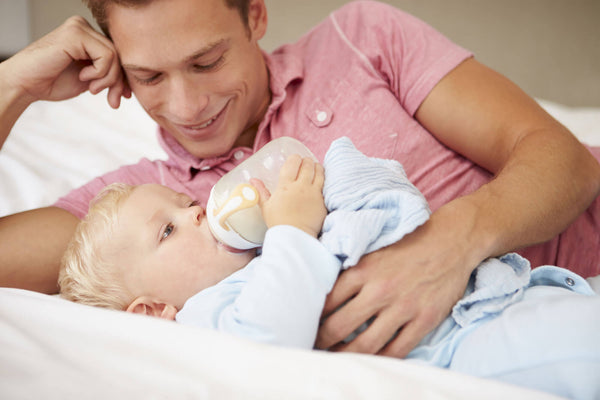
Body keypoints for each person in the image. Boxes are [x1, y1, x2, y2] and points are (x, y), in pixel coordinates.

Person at [1, 0, 600, 359]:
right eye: (150, 77)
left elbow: (564, 161)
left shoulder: (362, 39)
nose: (187, 106)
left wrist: (452, 243)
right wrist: (15, 85)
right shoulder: (138, 213)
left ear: (255, 14)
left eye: (206, 62)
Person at [59, 138, 600, 400]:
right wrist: (292, 230)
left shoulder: (273, 252)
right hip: (466, 348)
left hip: (505, 296)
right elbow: (270, 341)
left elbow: (386, 220)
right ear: (154, 311)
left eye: (182, 200)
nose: (196, 209)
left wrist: (337, 185)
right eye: (169, 230)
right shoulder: (205, 319)